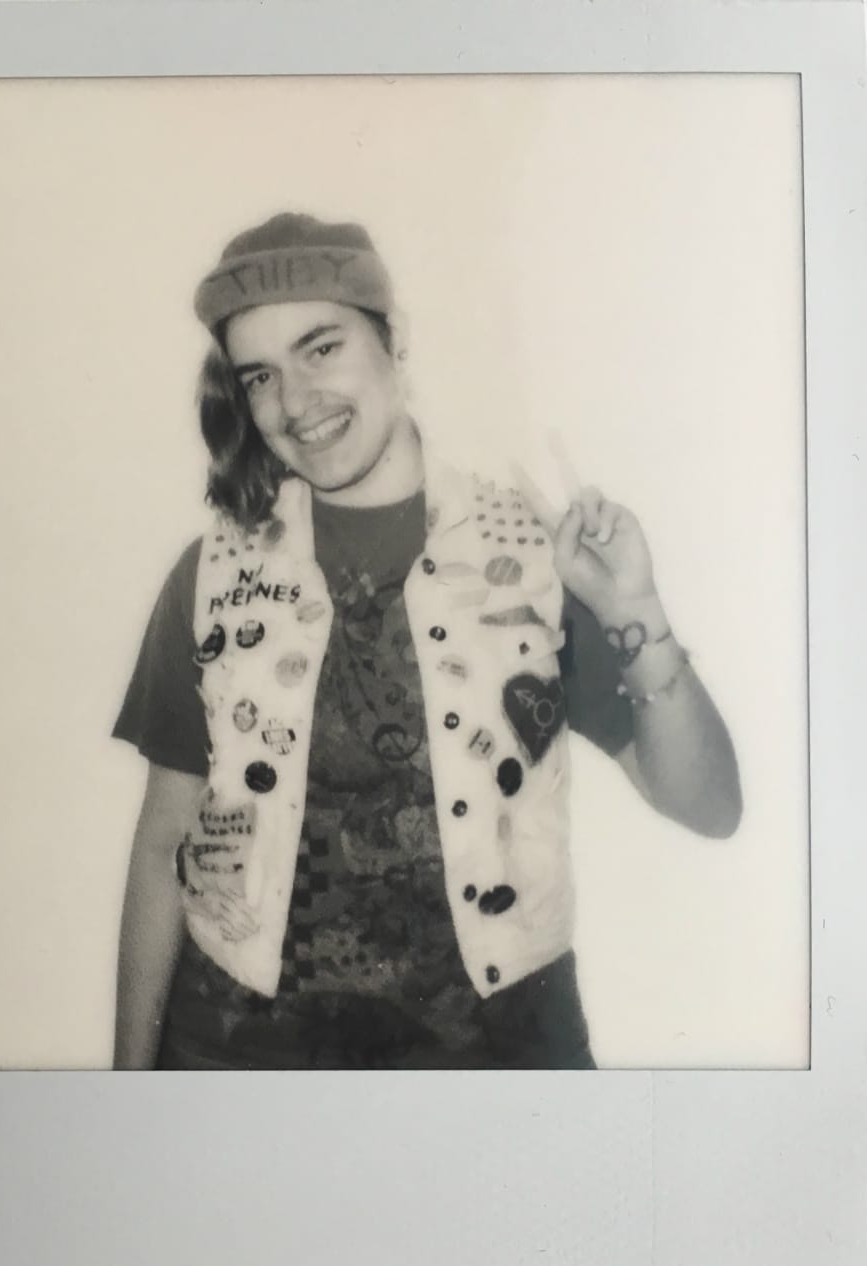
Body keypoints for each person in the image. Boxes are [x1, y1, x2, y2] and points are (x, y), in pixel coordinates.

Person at [111, 212, 741, 1071]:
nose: (294, 403)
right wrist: (126, 1093)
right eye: (260, 375)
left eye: (321, 348)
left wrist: (635, 611)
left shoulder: (533, 557)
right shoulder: (211, 575)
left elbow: (707, 807)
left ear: (392, 340)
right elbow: (159, 847)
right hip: (236, 1064)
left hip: (500, 1065)